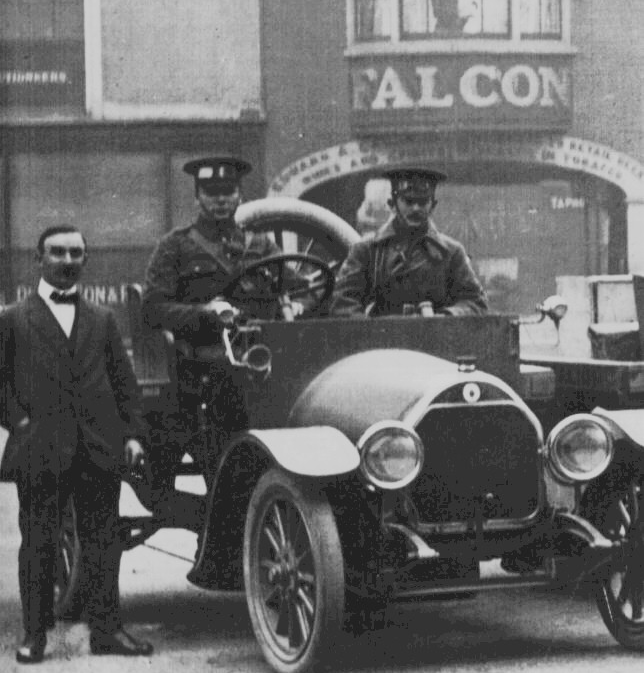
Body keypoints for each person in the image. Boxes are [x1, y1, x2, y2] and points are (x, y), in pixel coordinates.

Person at [0, 225, 153, 664]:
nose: (67, 261)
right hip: (41, 449)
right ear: (39, 258)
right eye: (58, 252)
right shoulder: (13, 318)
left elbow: (125, 384)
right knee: (39, 545)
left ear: (84, 260)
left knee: (104, 543)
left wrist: (133, 435)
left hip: (98, 447)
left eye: (76, 253)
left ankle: (107, 631)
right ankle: (34, 636)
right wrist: (20, 422)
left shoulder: (102, 319)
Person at [141, 156, 291, 476]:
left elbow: (298, 286)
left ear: (240, 196)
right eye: (211, 193)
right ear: (198, 198)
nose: (220, 200)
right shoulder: (175, 247)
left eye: (228, 191)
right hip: (199, 370)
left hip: (262, 364)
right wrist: (204, 315)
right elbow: (153, 307)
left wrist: (300, 305)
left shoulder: (262, 246)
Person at [330, 167, 488, 317]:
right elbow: (342, 302)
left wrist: (445, 317)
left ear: (432, 205)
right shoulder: (367, 251)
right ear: (392, 204)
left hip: (435, 339)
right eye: (408, 201)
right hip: (382, 342)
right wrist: (372, 329)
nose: (415, 209)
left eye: (422, 202)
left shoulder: (451, 252)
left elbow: (475, 302)